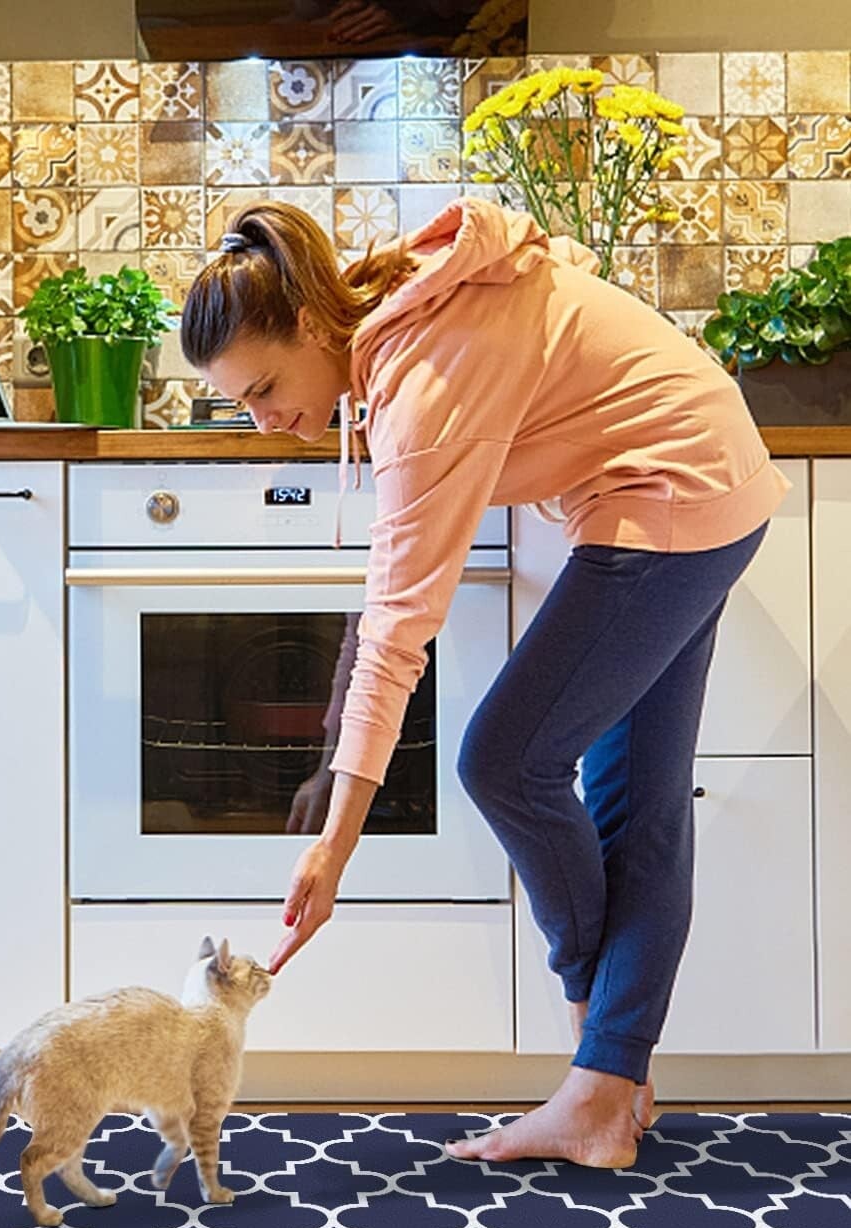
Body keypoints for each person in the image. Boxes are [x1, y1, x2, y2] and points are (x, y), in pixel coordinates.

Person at [178, 195, 790, 1171]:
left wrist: (336, 846)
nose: (262, 420)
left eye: (262, 388)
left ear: (306, 325)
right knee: (639, 802)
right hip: (693, 478)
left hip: (671, 488)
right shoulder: (394, 311)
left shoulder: (421, 383)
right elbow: (381, 610)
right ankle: (607, 1083)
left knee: (506, 760)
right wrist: (335, 778)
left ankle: (601, 1070)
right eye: (238, 404)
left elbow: (394, 633)